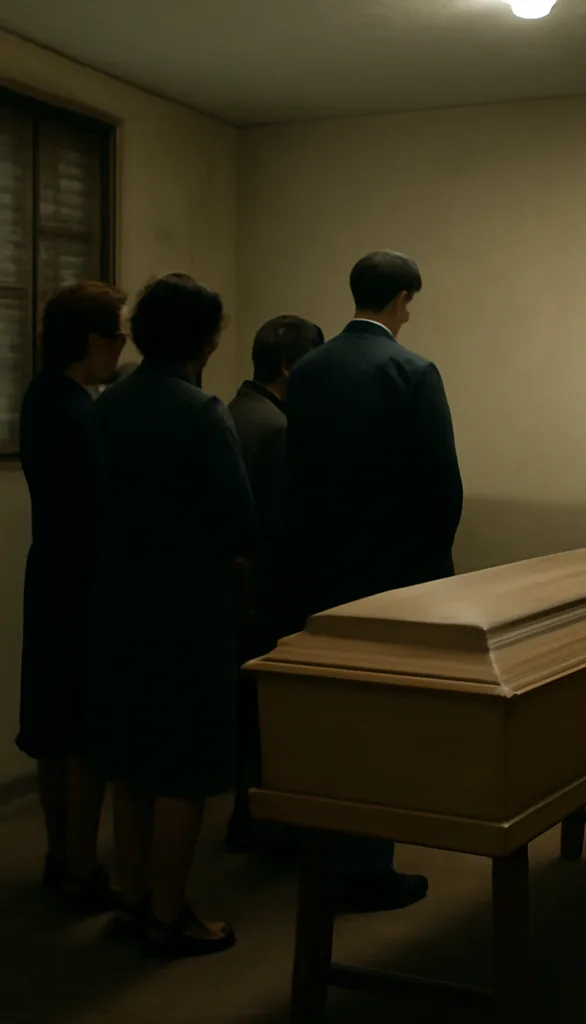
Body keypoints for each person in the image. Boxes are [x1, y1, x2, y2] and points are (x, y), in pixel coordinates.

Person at [286, 250, 463, 912]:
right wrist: (434, 570)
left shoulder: (308, 369)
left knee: (329, 714)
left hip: (317, 566)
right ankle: (368, 867)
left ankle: (321, 850)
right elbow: (441, 483)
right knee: (382, 720)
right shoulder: (411, 371)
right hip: (393, 575)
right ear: (401, 299)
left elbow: (297, 469)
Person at [87, 273, 257, 957]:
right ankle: (170, 913)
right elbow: (238, 519)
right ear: (203, 338)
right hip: (188, 607)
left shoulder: (109, 404)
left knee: (131, 764)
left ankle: (131, 903)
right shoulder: (201, 412)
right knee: (185, 767)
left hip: (116, 598)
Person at [17, 282, 126, 912]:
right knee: (84, 733)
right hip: (85, 580)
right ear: (92, 340)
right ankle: (83, 867)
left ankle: (60, 855)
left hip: (49, 574)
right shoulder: (82, 414)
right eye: (117, 337)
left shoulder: (42, 396)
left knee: (52, 728)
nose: (122, 350)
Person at [225, 314, 324, 849]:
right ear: (289, 366)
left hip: (230, 590)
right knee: (270, 715)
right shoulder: (279, 429)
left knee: (244, 714)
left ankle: (248, 812)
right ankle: (265, 822)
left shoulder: (233, 412)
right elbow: (279, 525)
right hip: (267, 591)